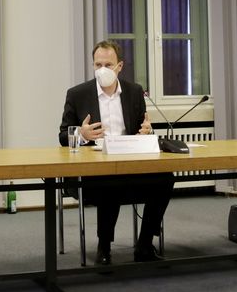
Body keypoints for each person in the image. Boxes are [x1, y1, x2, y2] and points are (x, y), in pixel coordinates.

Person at [58, 40, 174, 265]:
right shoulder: (77, 94)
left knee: (165, 179)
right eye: (97, 64)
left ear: (119, 66)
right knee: (110, 179)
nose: (102, 69)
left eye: (108, 65)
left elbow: (145, 129)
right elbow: (63, 136)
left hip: (130, 164)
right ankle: (104, 247)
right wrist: (81, 134)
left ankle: (144, 244)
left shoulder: (134, 92)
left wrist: (147, 131)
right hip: (93, 172)